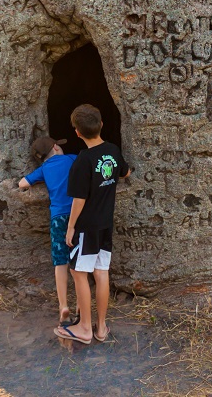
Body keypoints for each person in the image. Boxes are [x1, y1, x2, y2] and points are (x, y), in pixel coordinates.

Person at [54, 104, 130, 345]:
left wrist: (71, 227)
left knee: (78, 272)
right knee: (101, 272)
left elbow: (79, 198)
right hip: (105, 224)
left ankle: (85, 328)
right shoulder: (113, 150)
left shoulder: (83, 161)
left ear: (77, 132)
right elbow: (124, 174)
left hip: (86, 226)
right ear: (102, 125)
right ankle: (101, 327)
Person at [17, 136, 77, 327]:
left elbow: (22, 183)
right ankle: (81, 308)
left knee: (60, 262)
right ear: (56, 147)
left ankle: (63, 306)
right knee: (78, 262)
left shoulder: (44, 169)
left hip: (58, 217)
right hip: (77, 215)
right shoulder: (70, 159)